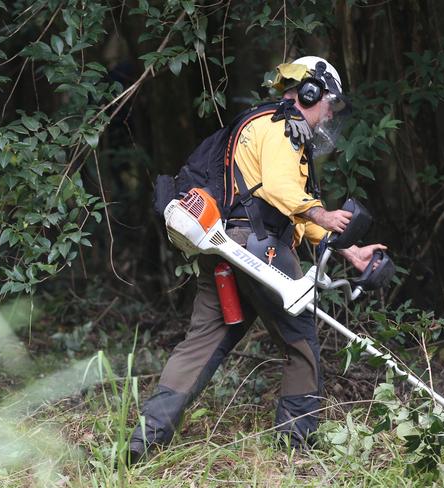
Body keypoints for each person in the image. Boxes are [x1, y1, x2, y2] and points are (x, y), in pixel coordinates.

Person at [128, 56, 386, 462]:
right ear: (310, 92)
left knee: (203, 342)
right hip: (259, 247)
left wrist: (349, 249)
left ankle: (144, 440)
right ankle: (295, 449)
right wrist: (321, 213)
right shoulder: (282, 129)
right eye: (327, 104)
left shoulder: (255, 124)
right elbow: (282, 191)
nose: (328, 115)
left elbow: (286, 208)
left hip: (223, 248)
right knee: (301, 340)